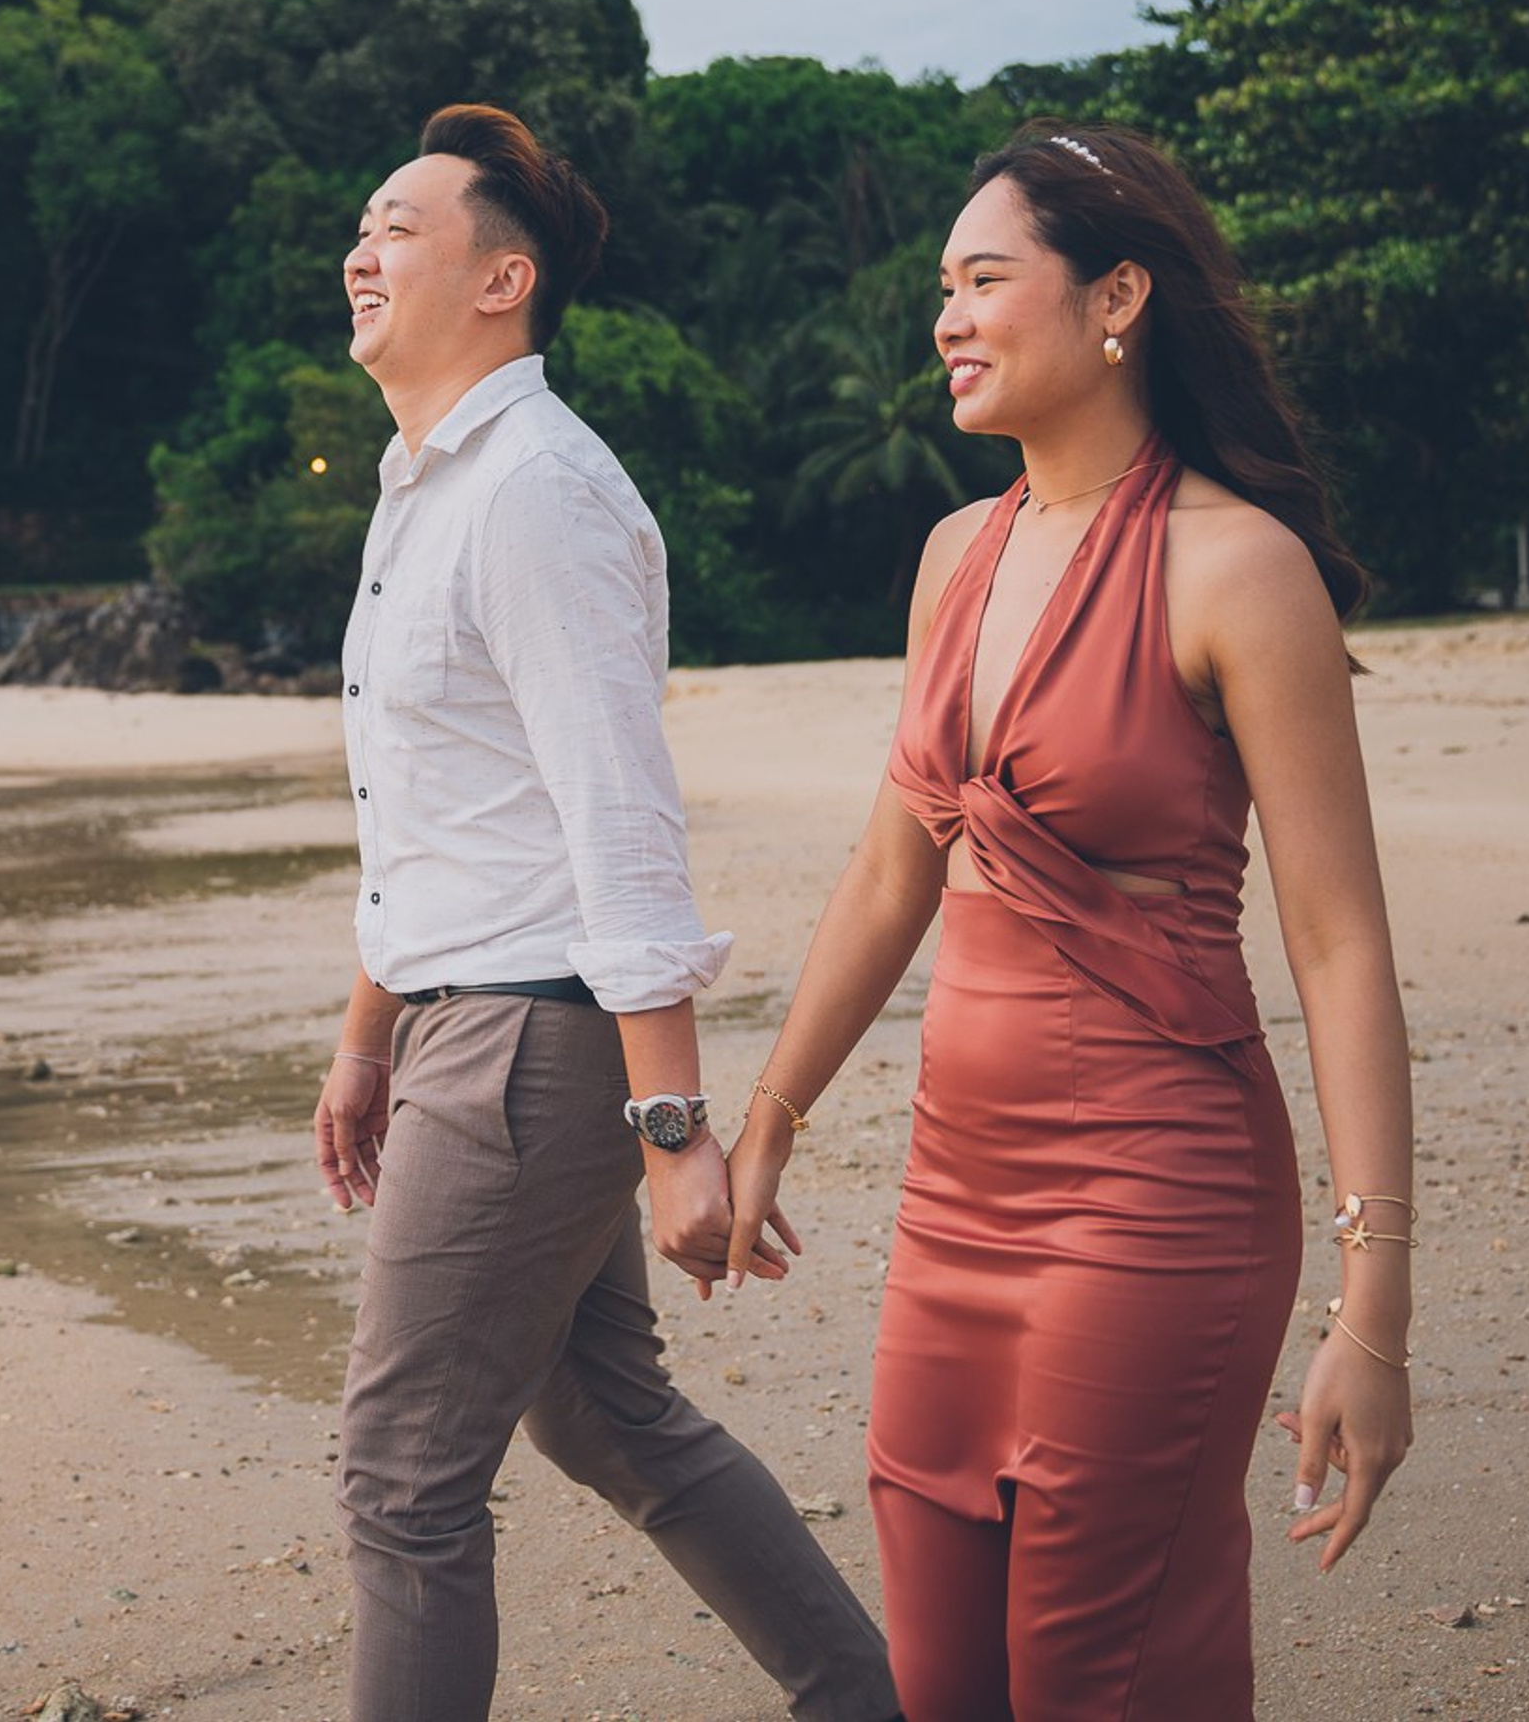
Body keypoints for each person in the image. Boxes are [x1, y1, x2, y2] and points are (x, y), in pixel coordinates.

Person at [723, 121, 1416, 1720]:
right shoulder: (952, 554)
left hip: (1156, 1198)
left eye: (984, 280)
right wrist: (769, 1119)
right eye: (938, 290)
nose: (947, 319)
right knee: (946, 1676)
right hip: (956, 1202)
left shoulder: (1239, 570)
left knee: (1101, 1675)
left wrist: (1371, 1306)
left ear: (1117, 300)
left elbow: (1340, 944)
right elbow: (894, 872)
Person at [312, 103, 901, 1722]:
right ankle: (868, 1697)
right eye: (362, 225)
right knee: (602, 1412)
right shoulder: (428, 486)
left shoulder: (538, 495)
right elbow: (437, 821)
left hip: (529, 1044)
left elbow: (616, 822)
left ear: (503, 280)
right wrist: (366, 1035)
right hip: (461, 1015)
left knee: (401, 1476)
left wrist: (671, 1121)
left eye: (400, 226)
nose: (360, 251)